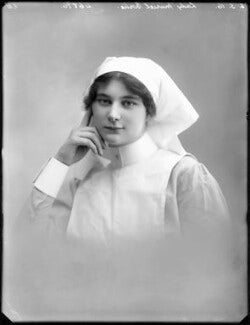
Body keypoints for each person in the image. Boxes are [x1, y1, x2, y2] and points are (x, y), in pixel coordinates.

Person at [10, 57, 236, 320]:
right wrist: (61, 161)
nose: (113, 114)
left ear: (150, 112)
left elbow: (216, 279)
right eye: (104, 101)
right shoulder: (82, 182)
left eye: (128, 103)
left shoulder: (185, 175)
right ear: (91, 109)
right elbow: (26, 254)